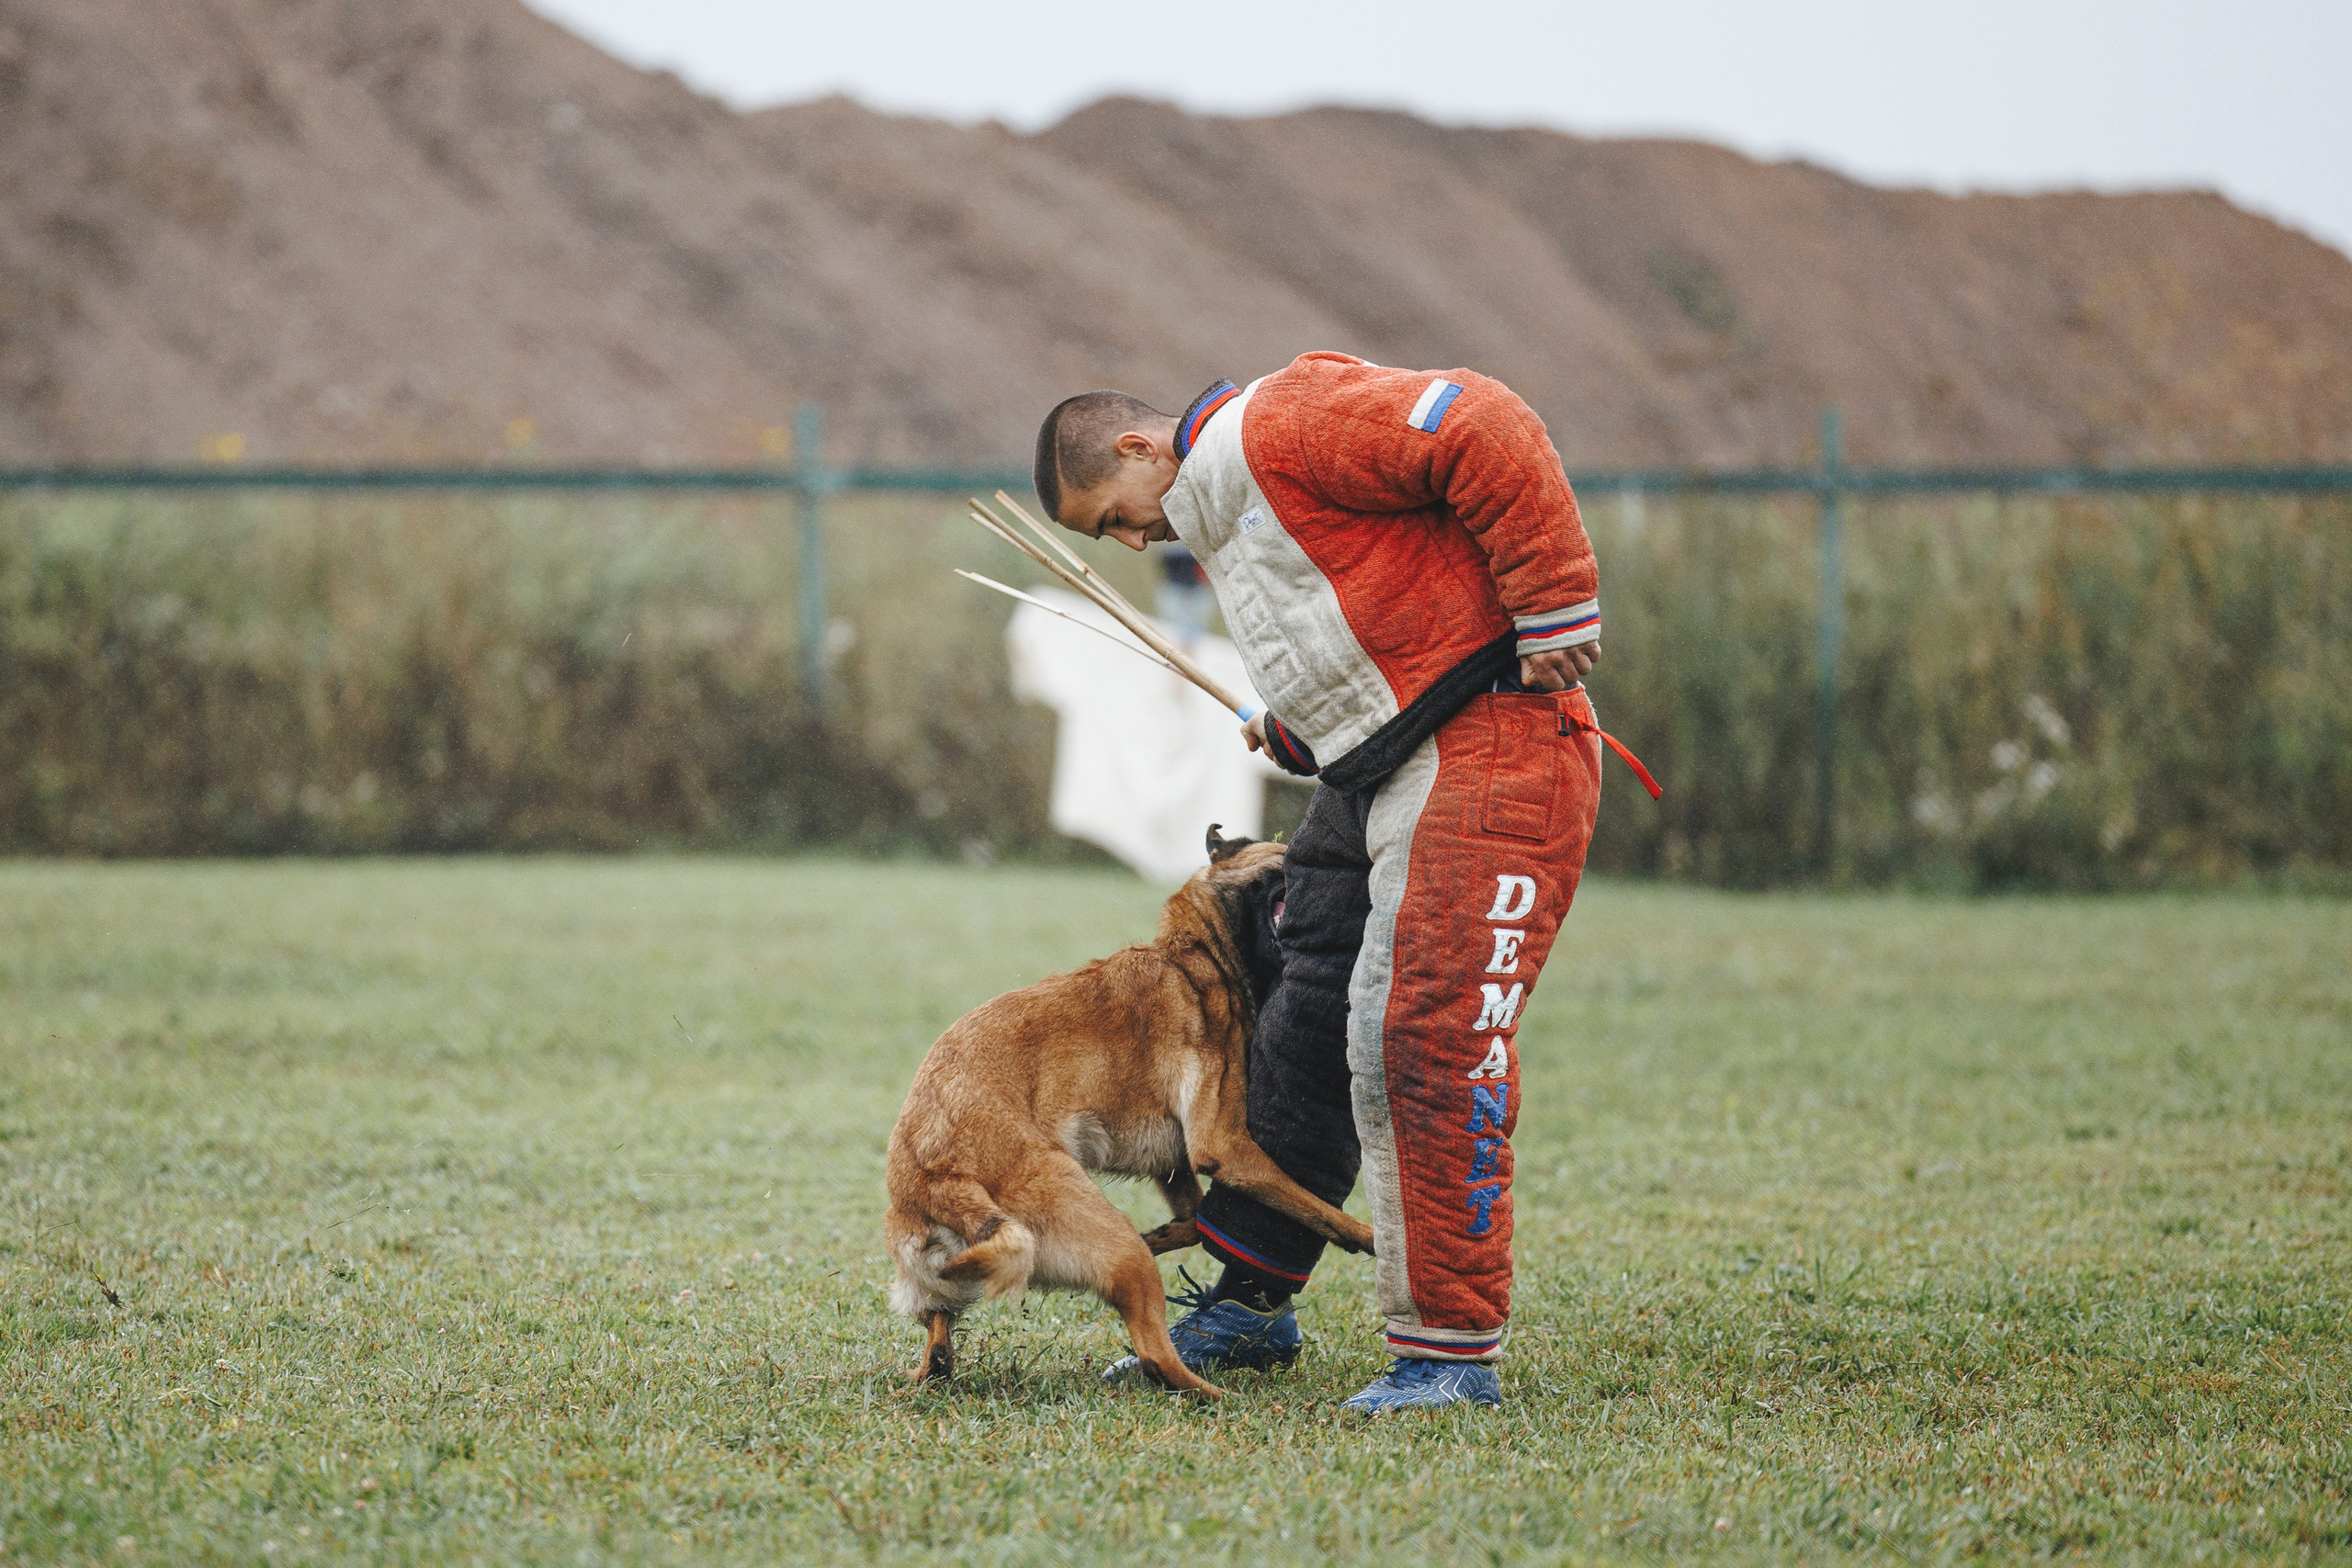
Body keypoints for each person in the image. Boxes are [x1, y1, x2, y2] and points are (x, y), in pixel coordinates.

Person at [1032, 355, 1610, 1414]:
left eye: (1112, 519)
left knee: (1420, 1036)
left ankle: (1449, 1351)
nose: (1131, 543)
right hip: (1379, 768)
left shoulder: (1280, 421)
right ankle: (1251, 1306)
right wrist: (1298, 726)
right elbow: (1379, 621)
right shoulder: (1225, 509)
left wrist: (1555, 607)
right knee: (1296, 1024)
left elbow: (1479, 420)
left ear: (1136, 448)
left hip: (1494, 742)